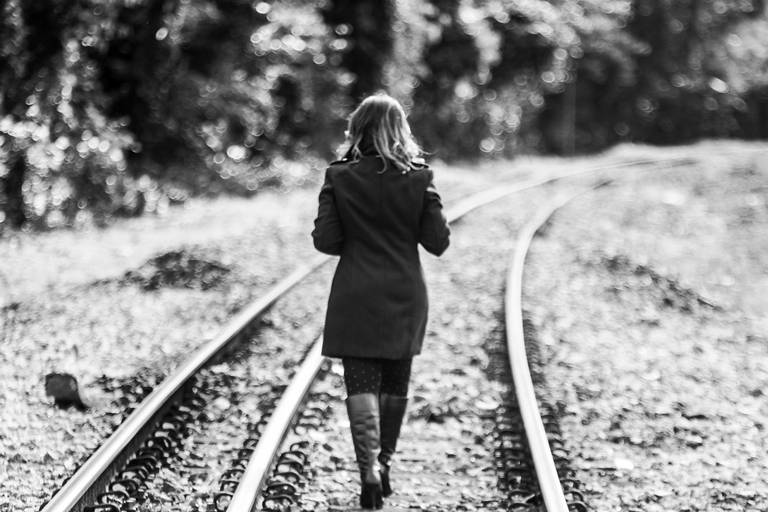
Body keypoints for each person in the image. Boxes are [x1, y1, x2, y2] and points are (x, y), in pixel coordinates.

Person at [311, 93, 450, 509]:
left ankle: (368, 468)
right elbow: (438, 242)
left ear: (357, 130)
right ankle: (384, 463)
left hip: (355, 294)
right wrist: (428, 196)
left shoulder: (339, 177)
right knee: (395, 386)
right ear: (400, 131)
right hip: (405, 295)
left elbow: (326, 240)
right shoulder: (420, 179)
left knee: (361, 385)